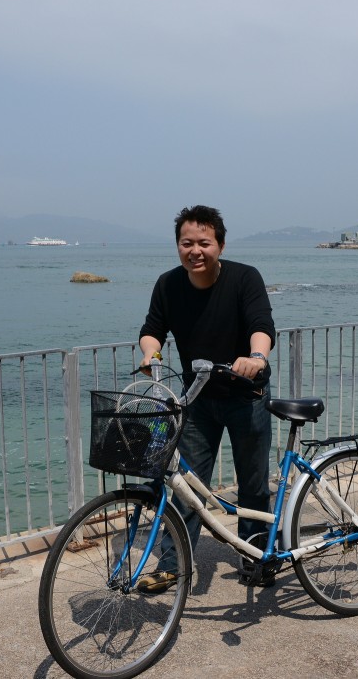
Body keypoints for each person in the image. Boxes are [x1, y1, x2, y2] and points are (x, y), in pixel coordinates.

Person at [137, 204, 276, 589]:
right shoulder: (168, 284)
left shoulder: (244, 279)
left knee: (253, 484)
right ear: (178, 246)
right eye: (186, 243)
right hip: (197, 397)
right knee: (185, 484)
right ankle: (173, 563)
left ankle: (256, 556)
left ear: (220, 245)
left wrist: (256, 357)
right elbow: (152, 329)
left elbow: (261, 324)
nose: (194, 250)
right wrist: (150, 352)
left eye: (203, 242)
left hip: (246, 394)